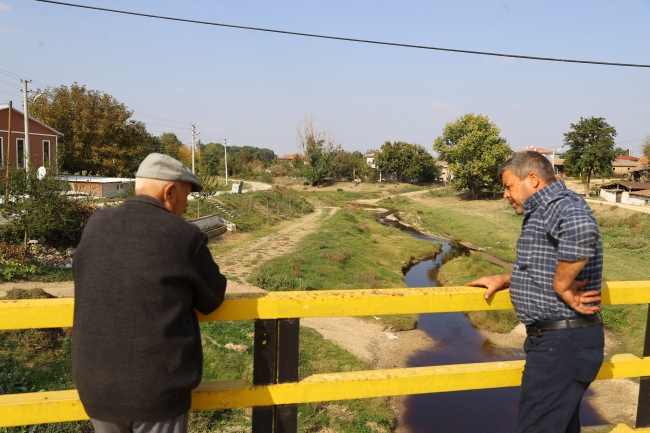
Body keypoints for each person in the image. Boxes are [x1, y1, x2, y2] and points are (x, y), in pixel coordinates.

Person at [72, 153, 227, 433]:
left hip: (96, 387)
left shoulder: (95, 225)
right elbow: (212, 299)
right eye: (186, 196)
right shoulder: (184, 235)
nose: (186, 205)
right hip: (158, 390)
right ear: (169, 192)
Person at [467, 151, 604, 433]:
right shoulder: (546, 207)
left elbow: (582, 230)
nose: (505, 195)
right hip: (562, 343)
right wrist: (508, 278)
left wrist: (561, 285)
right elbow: (544, 262)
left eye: (508, 186)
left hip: (561, 344)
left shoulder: (557, 204)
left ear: (532, 179)